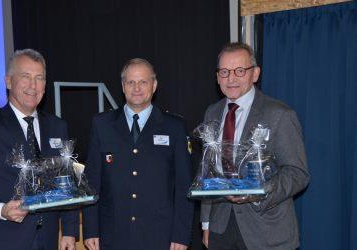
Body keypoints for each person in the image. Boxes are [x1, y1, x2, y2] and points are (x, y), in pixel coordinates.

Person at [0, 49, 78, 250]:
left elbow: (66, 181)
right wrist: (1, 209)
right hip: (3, 239)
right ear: (8, 82)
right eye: (26, 76)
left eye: (39, 78)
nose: (33, 85)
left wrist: (69, 230)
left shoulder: (58, 126)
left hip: (49, 239)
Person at [200, 42, 310, 250]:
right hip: (220, 230)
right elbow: (208, 172)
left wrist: (259, 191)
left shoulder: (279, 114)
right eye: (224, 72)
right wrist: (206, 224)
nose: (231, 78)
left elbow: (298, 173)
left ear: (255, 74)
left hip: (267, 232)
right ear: (217, 77)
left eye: (239, 71)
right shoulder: (211, 113)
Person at [82, 58, 194, 250]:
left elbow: (184, 186)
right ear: (123, 86)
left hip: (160, 236)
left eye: (143, 81)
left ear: (154, 85)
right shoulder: (102, 125)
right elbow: (92, 181)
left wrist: (181, 235)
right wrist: (91, 229)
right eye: (131, 82)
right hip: (113, 234)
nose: (137, 88)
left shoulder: (174, 127)